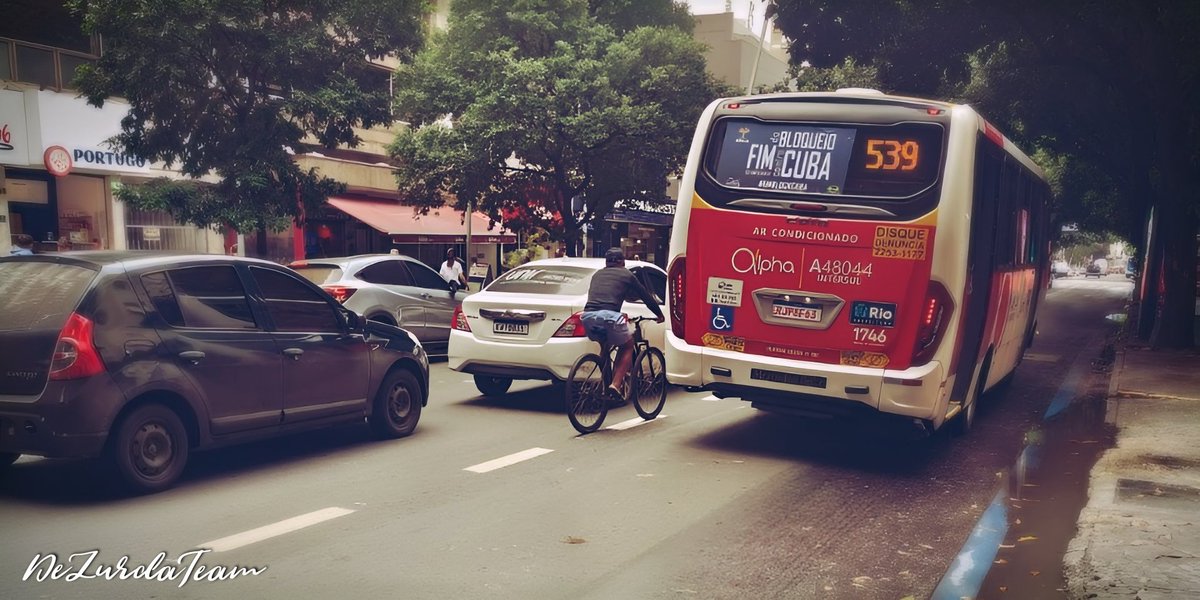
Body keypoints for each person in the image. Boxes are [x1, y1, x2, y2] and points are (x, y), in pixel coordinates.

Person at [581, 247, 665, 402]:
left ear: (607, 262)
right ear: (622, 261)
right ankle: (615, 384)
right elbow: (645, 296)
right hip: (610, 316)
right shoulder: (626, 274)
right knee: (627, 345)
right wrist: (659, 314)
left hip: (587, 316)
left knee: (605, 346)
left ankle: (603, 381)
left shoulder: (597, 274)